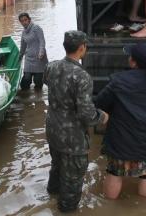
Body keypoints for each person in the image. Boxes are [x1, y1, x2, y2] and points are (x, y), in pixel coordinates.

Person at [94, 43, 146, 199]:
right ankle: (145, 210)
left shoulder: (119, 81)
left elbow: (99, 103)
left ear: (133, 61)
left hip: (122, 143)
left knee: (114, 173)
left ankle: (107, 208)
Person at [45, 30, 108, 212]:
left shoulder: (51, 66)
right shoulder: (82, 77)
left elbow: (50, 86)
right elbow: (86, 114)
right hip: (72, 138)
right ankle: (66, 210)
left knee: (56, 167)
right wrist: (103, 116)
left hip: (53, 130)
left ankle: (50, 200)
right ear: (82, 48)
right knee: (72, 183)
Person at [18, 13, 48, 91]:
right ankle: (25, 98)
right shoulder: (23, 32)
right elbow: (23, 47)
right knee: (26, 80)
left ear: (29, 20)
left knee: (38, 82)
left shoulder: (36, 28)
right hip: (29, 58)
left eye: (25, 20)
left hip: (39, 58)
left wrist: (41, 52)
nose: (24, 22)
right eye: (22, 21)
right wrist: (19, 57)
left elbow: (42, 41)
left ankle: (38, 99)